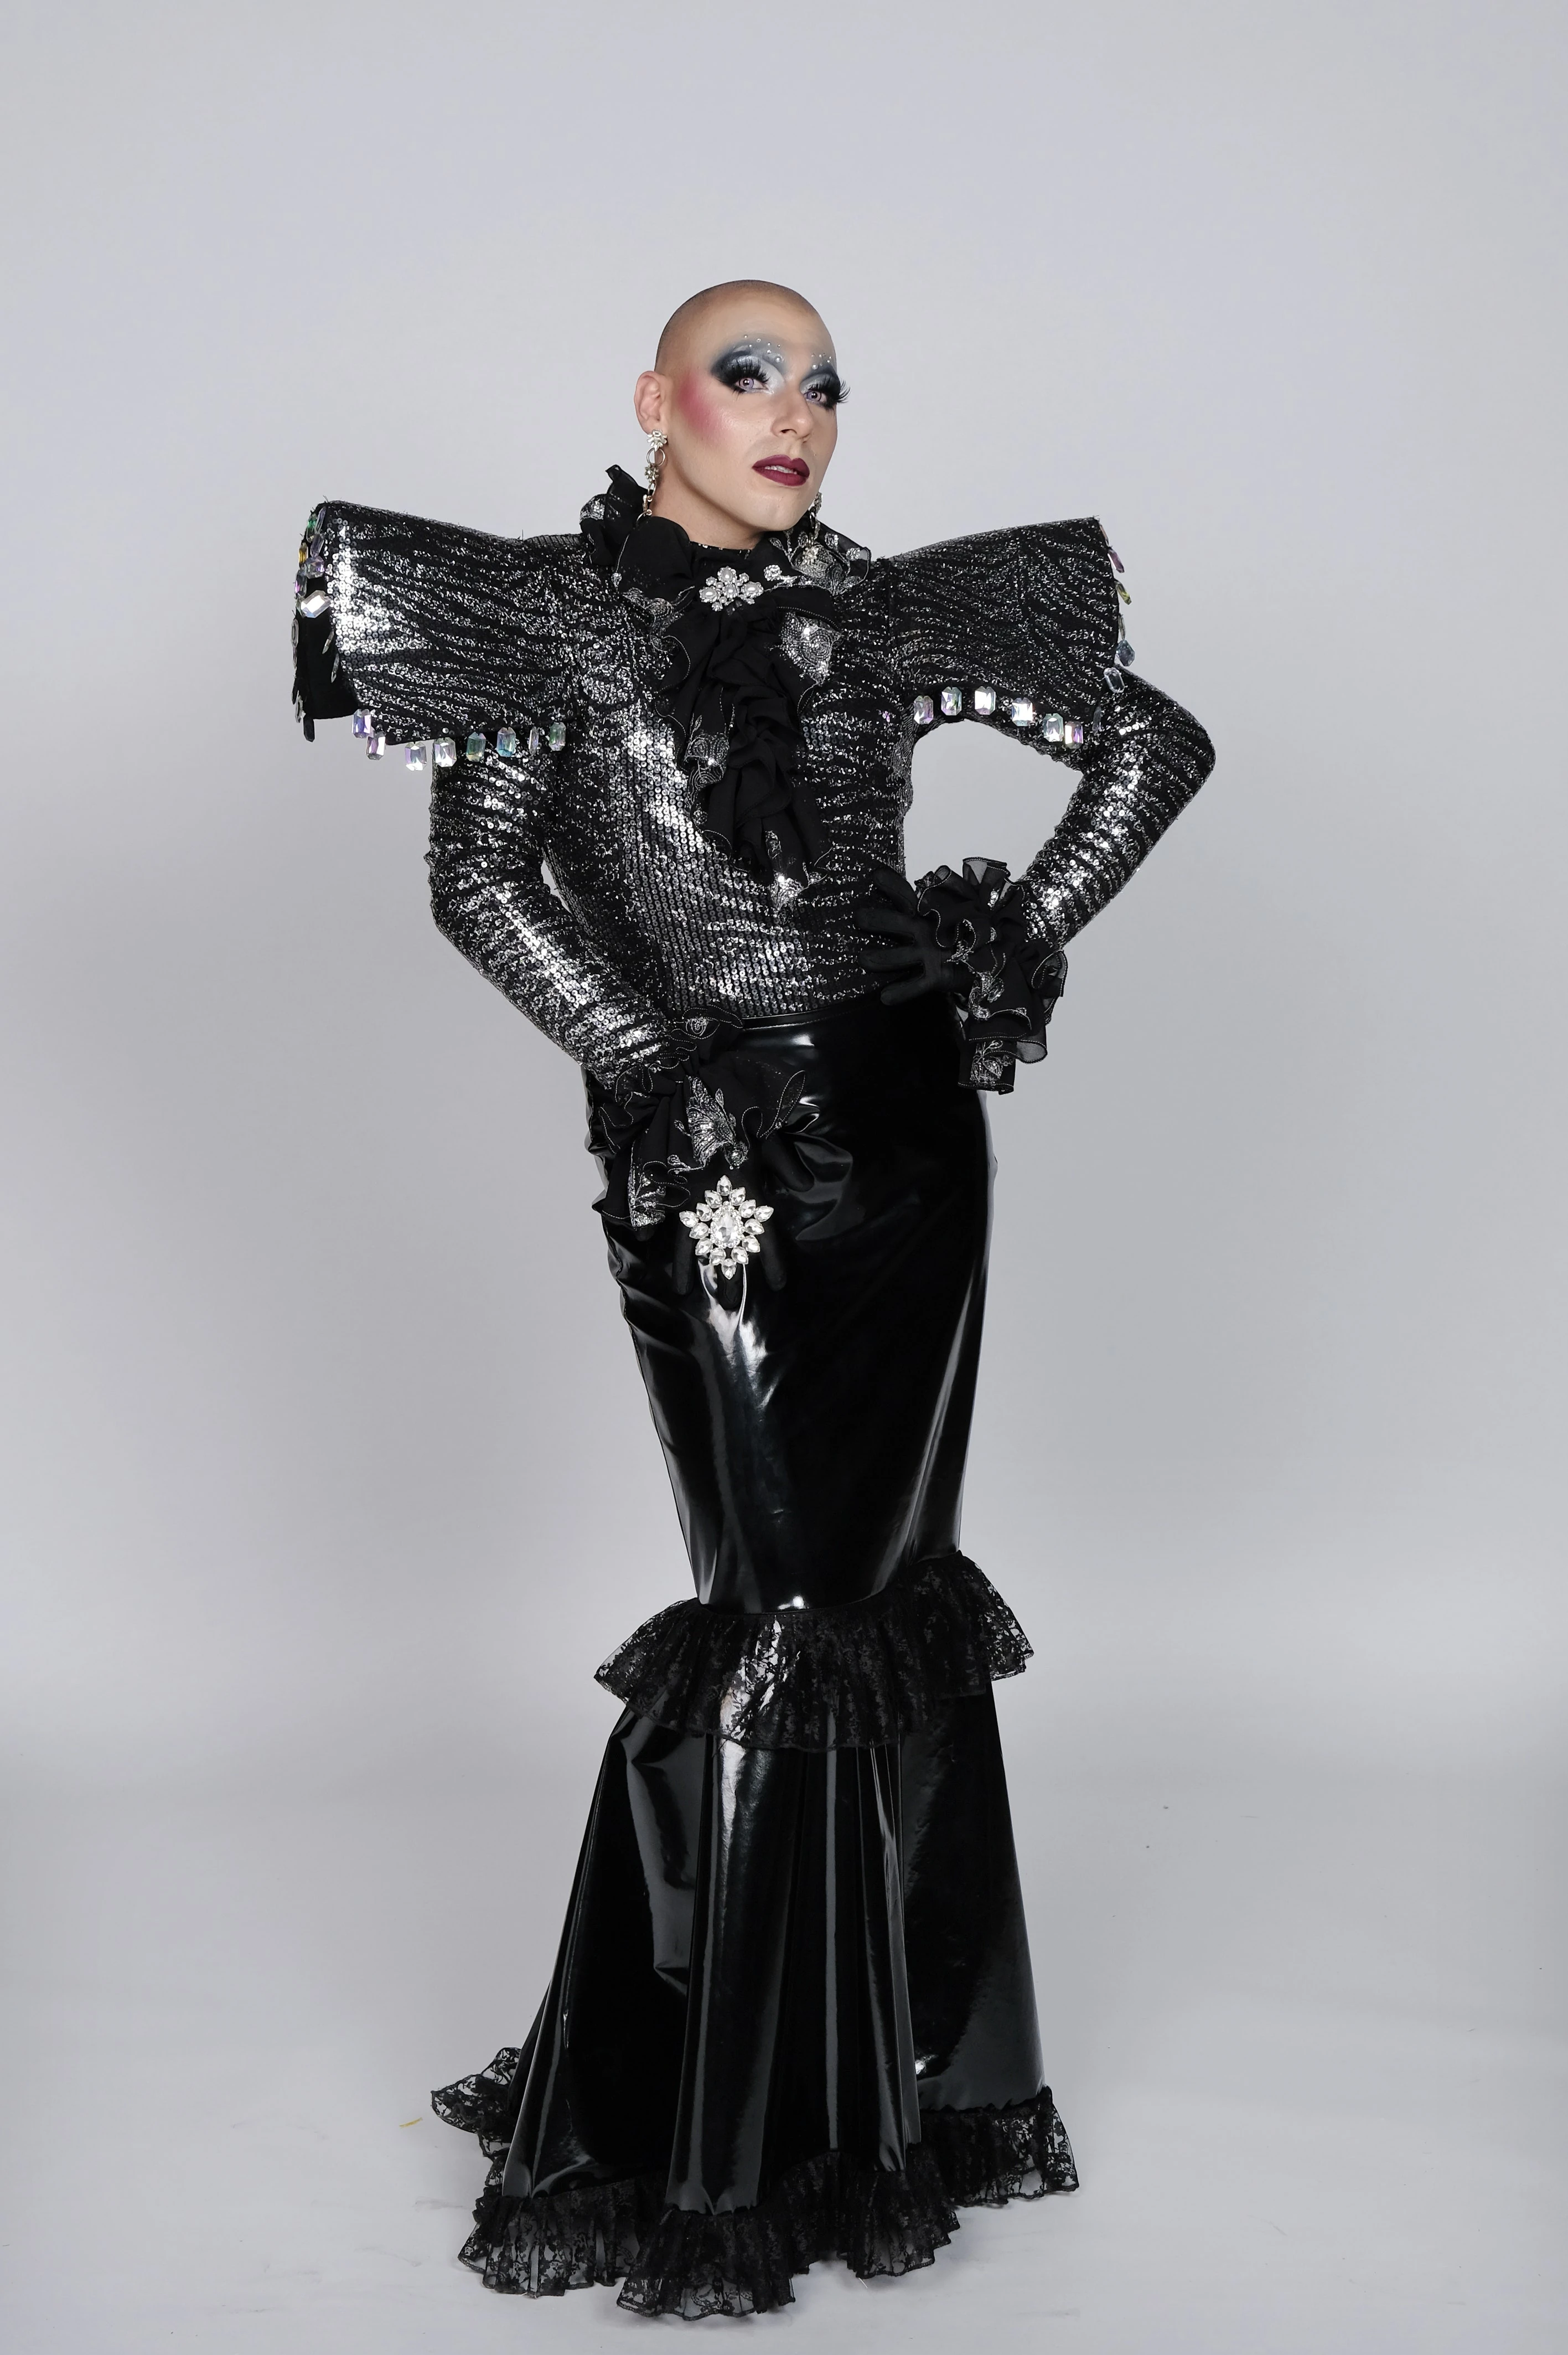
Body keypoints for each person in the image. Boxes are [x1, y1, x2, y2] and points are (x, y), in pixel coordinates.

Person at [291, 278, 1214, 2317]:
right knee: (777, 1600)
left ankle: (910, 2086)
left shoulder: (871, 610)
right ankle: (702, 2107)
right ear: (655, 402)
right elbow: (480, 881)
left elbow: (1157, 745)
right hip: (711, 1153)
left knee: (881, 1588)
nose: (796, 415)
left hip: (910, 1151)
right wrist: (647, 1052)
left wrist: (1010, 942)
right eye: (749, 375)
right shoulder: (545, 620)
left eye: (825, 387)